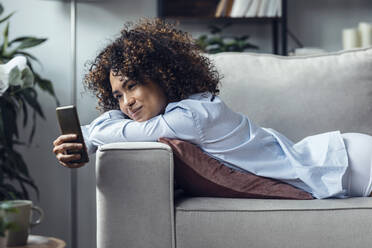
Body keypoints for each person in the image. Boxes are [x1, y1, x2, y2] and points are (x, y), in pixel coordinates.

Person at [52, 18, 372, 199]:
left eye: (132, 85)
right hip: (342, 162)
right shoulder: (184, 114)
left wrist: (88, 137)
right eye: (118, 96)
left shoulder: (194, 116)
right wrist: (87, 137)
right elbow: (124, 129)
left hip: (352, 161)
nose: (127, 103)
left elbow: (130, 131)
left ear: (162, 76)